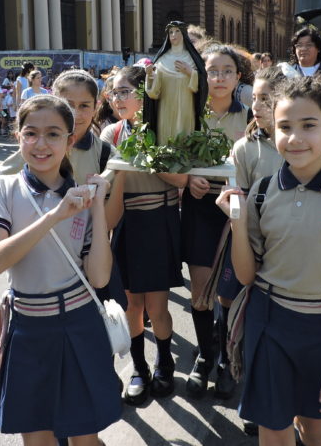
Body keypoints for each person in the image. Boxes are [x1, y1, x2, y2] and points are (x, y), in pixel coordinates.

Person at [216, 75, 321, 446]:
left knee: (314, 426)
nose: (294, 138)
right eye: (284, 127)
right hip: (270, 320)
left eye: (309, 125)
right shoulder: (262, 192)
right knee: (273, 428)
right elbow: (247, 275)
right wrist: (237, 219)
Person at [0, 95, 120, 444]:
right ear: (18, 136)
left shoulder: (83, 196)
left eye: (53, 134)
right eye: (31, 133)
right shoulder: (3, 187)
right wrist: (54, 216)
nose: (41, 144)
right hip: (28, 327)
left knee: (84, 437)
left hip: (79, 323)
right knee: (37, 438)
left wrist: (98, 207)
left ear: (69, 141)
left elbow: (100, 277)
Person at [100, 66, 187, 407]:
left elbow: (181, 181)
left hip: (160, 219)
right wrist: (123, 161)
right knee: (132, 304)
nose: (118, 99)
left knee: (157, 305)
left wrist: (145, 157)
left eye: (125, 91)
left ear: (145, 94)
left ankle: (164, 362)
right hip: (126, 223)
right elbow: (106, 189)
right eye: (114, 93)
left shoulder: (166, 131)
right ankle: (139, 369)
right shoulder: (111, 135)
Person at [181, 44, 250, 401]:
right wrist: (190, 178)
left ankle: (225, 358)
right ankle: (204, 355)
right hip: (199, 208)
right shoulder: (189, 113)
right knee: (200, 289)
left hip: (236, 211)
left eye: (227, 71)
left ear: (238, 78)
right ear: (202, 76)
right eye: (213, 71)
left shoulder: (251, 115)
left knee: (228, 291)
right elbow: (176, 156)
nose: (219, 77)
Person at [143, 21, 208, 144]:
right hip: (165, 106)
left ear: (183, 34)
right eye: (171, 32)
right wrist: (150, 75)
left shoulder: (191, 58)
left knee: (184, 135)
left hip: (186, 106)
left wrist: (190, 72)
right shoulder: (162, 59)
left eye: (177, 31)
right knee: (166, 135)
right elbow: (153, 93)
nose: (174, 34)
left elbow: (202, 85)